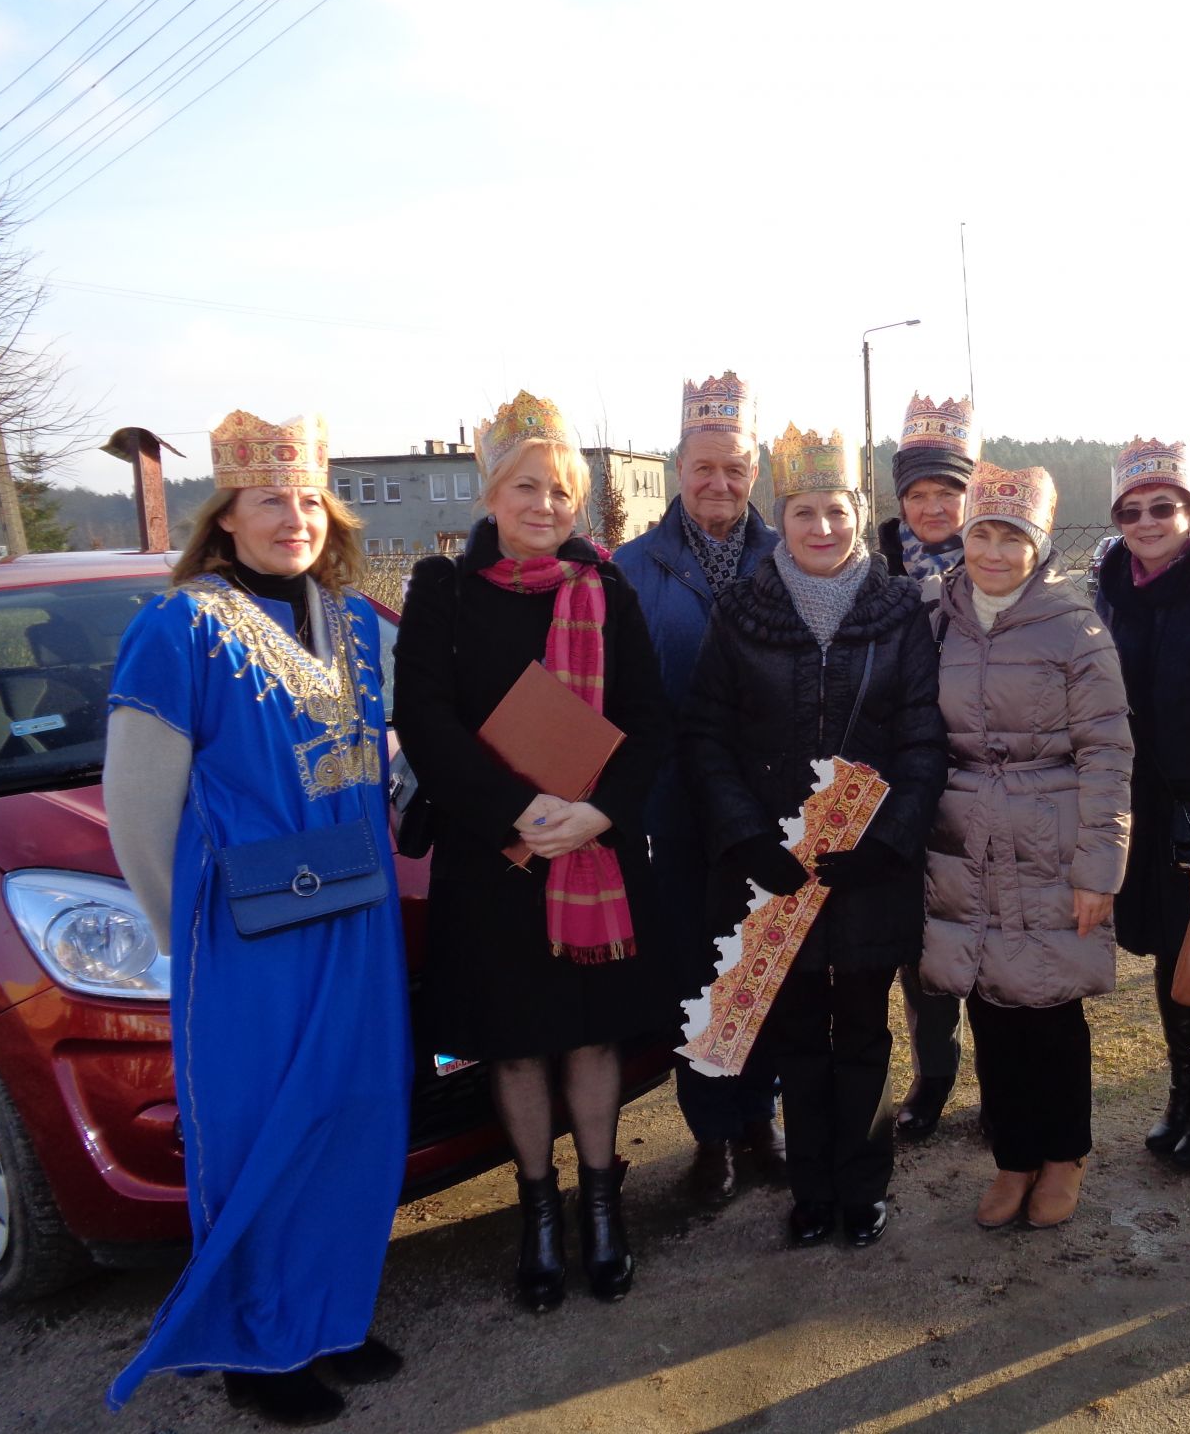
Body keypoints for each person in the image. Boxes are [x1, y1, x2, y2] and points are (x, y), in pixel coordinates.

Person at [104, 410, 408, 1425]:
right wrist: (187, 939)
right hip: (248, 933)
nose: (294, 517)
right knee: (261, 1124)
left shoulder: (352, 621)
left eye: (309, 498)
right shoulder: (178, 626)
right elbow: (138, 807)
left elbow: (381, 757)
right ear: (225, 515)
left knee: (356, 1108)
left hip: (356, 911)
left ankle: (330, 1314)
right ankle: (258, 1342)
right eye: (270, 498)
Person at [394, 391, 671, 1312]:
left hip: (593, 853)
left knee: (591, 1036)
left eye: (558, 490)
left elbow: (648, 721)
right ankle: (538, 1212)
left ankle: (601, 1206)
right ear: (490, 493)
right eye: (525, 486)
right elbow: (423, 721)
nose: (543, 504)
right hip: (492, 859)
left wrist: (600, 814)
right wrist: (516, 810)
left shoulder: (606, 589)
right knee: (514, 1049)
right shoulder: (443, 591)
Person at [682, 424, 947, 1248]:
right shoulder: (741, 611)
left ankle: (863, 1184)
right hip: (777, 867)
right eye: (803, 512)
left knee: (864, 1031)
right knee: (795, 1034)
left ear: (859, 513)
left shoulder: (899, 611)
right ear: (782, 517)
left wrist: (889, 842)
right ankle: (811, 1188)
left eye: (836, 510)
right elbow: (707, 735)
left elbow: (922, 737)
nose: (821, 527)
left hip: (867, 870)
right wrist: (745, 838)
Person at [922, 464, 1133, 1229]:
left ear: (1038, 545)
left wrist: (1099, 869)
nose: (993, 551)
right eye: (981, 533)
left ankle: (1062, 1155)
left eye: (1011, 537)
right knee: (988, 1005)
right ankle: (1012, 1157)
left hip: (1050, 838)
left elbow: (1106, 751)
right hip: (964, 838)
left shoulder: (1074, 627)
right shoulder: (939, 618)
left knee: (1048, 1007)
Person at [612, 371, 788, 1206]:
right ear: (677, 469)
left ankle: (760, 1118)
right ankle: (711, 1131)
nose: (719, 483)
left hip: (767, 808)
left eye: (735, 469)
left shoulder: (787, 556)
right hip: (675, 809)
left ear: (755, 474)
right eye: (704, 468)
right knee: (697, 973)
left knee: (763, 962)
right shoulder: (631, 568)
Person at [1094, 437, 1190, 1171]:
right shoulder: (1115, 587)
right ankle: (1183, 1089)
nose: (1147, 522)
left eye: (1163, 507)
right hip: (1147, 796)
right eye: (1131, 511)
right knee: (1167, 944)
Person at [874, 391, 979, 1138]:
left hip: (985, 778)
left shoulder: (1003, 561)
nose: (933, 507)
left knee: (993, 935)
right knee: (919, 939)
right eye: (918, 493)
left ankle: (1003, 1081)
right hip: (904, 780)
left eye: (948, 491)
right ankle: (934, 1072)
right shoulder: (872, 575)